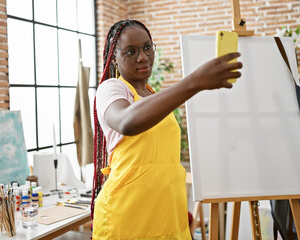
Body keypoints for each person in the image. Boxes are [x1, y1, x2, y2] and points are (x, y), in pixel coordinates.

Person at [91, 19, 242, 240]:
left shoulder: (154, 95)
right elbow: (126, 121)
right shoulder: (111, 88)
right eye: (131, 52)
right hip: (127, 217)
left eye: (147, 47)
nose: (142, 57)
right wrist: (194, 82)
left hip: (169, 214)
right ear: (114, 57)